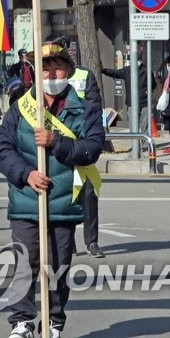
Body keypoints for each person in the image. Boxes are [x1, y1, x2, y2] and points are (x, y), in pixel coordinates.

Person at [0, 41, 104, 338]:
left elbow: (92, 148)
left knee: (58, 268)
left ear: (68, 70)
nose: (52, 74)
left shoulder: (85, 108)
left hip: (64, 202)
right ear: (35, 72)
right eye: (45, 68)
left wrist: (57, 142)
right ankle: (22, 321)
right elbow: (3, 148)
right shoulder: (20, 108)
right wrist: (26, 173)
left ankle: (54, 322)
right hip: (26, 200)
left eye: (57, 67)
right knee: (24, 262)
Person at [57, 36, 104, 260]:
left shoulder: (85, 75)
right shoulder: (49, 77)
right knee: (64, 195)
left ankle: (91, 241)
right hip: (56, 145)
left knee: (88, 195)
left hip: (81, 143)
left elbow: (95, 104)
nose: (70, 54)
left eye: (71, 51)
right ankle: (69, 242)